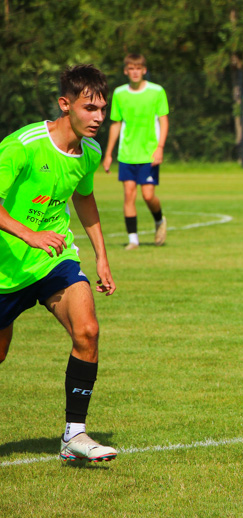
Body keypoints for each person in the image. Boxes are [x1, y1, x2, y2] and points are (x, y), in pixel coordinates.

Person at [0, 64, 117, 462]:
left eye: (103, 108)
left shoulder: (90, 152)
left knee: (87, 331)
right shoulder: (23, 145)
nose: (99, 117)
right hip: (6, 266)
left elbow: (83, 196)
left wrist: (101, 255)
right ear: (65, 105)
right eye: (90, 108)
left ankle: (74, 436)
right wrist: (28, 234)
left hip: (55, 259)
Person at [102, 53, 169, 250]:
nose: (135, 72)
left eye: (138, 68)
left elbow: (163, 121)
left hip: (148, 153)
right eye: (131, 68)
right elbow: (116, 124)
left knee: (148, 196)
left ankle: (159, 220)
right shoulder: (120, 93)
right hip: (127, 154)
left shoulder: (157, 92)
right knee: (128, 194)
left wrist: (160, 148)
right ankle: (133, 240)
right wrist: (108, 154)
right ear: (126, 71)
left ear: (144, 70)